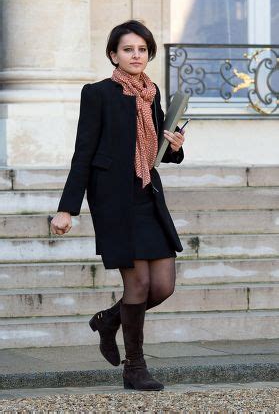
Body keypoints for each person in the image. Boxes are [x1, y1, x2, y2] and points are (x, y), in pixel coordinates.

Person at [51, 20, 185, 391]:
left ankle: (109, 320)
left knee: (163, 285)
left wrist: (175, 146)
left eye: (142, 49)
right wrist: (67, 208)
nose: (136, 55)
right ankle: (135, 368)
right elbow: (84, 153)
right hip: (114, 201)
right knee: (138, 283)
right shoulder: (97, 94)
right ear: (114, 54)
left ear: (149, 54)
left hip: (148, 197)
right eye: (128, 49)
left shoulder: (151, 94)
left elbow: (157, 152)